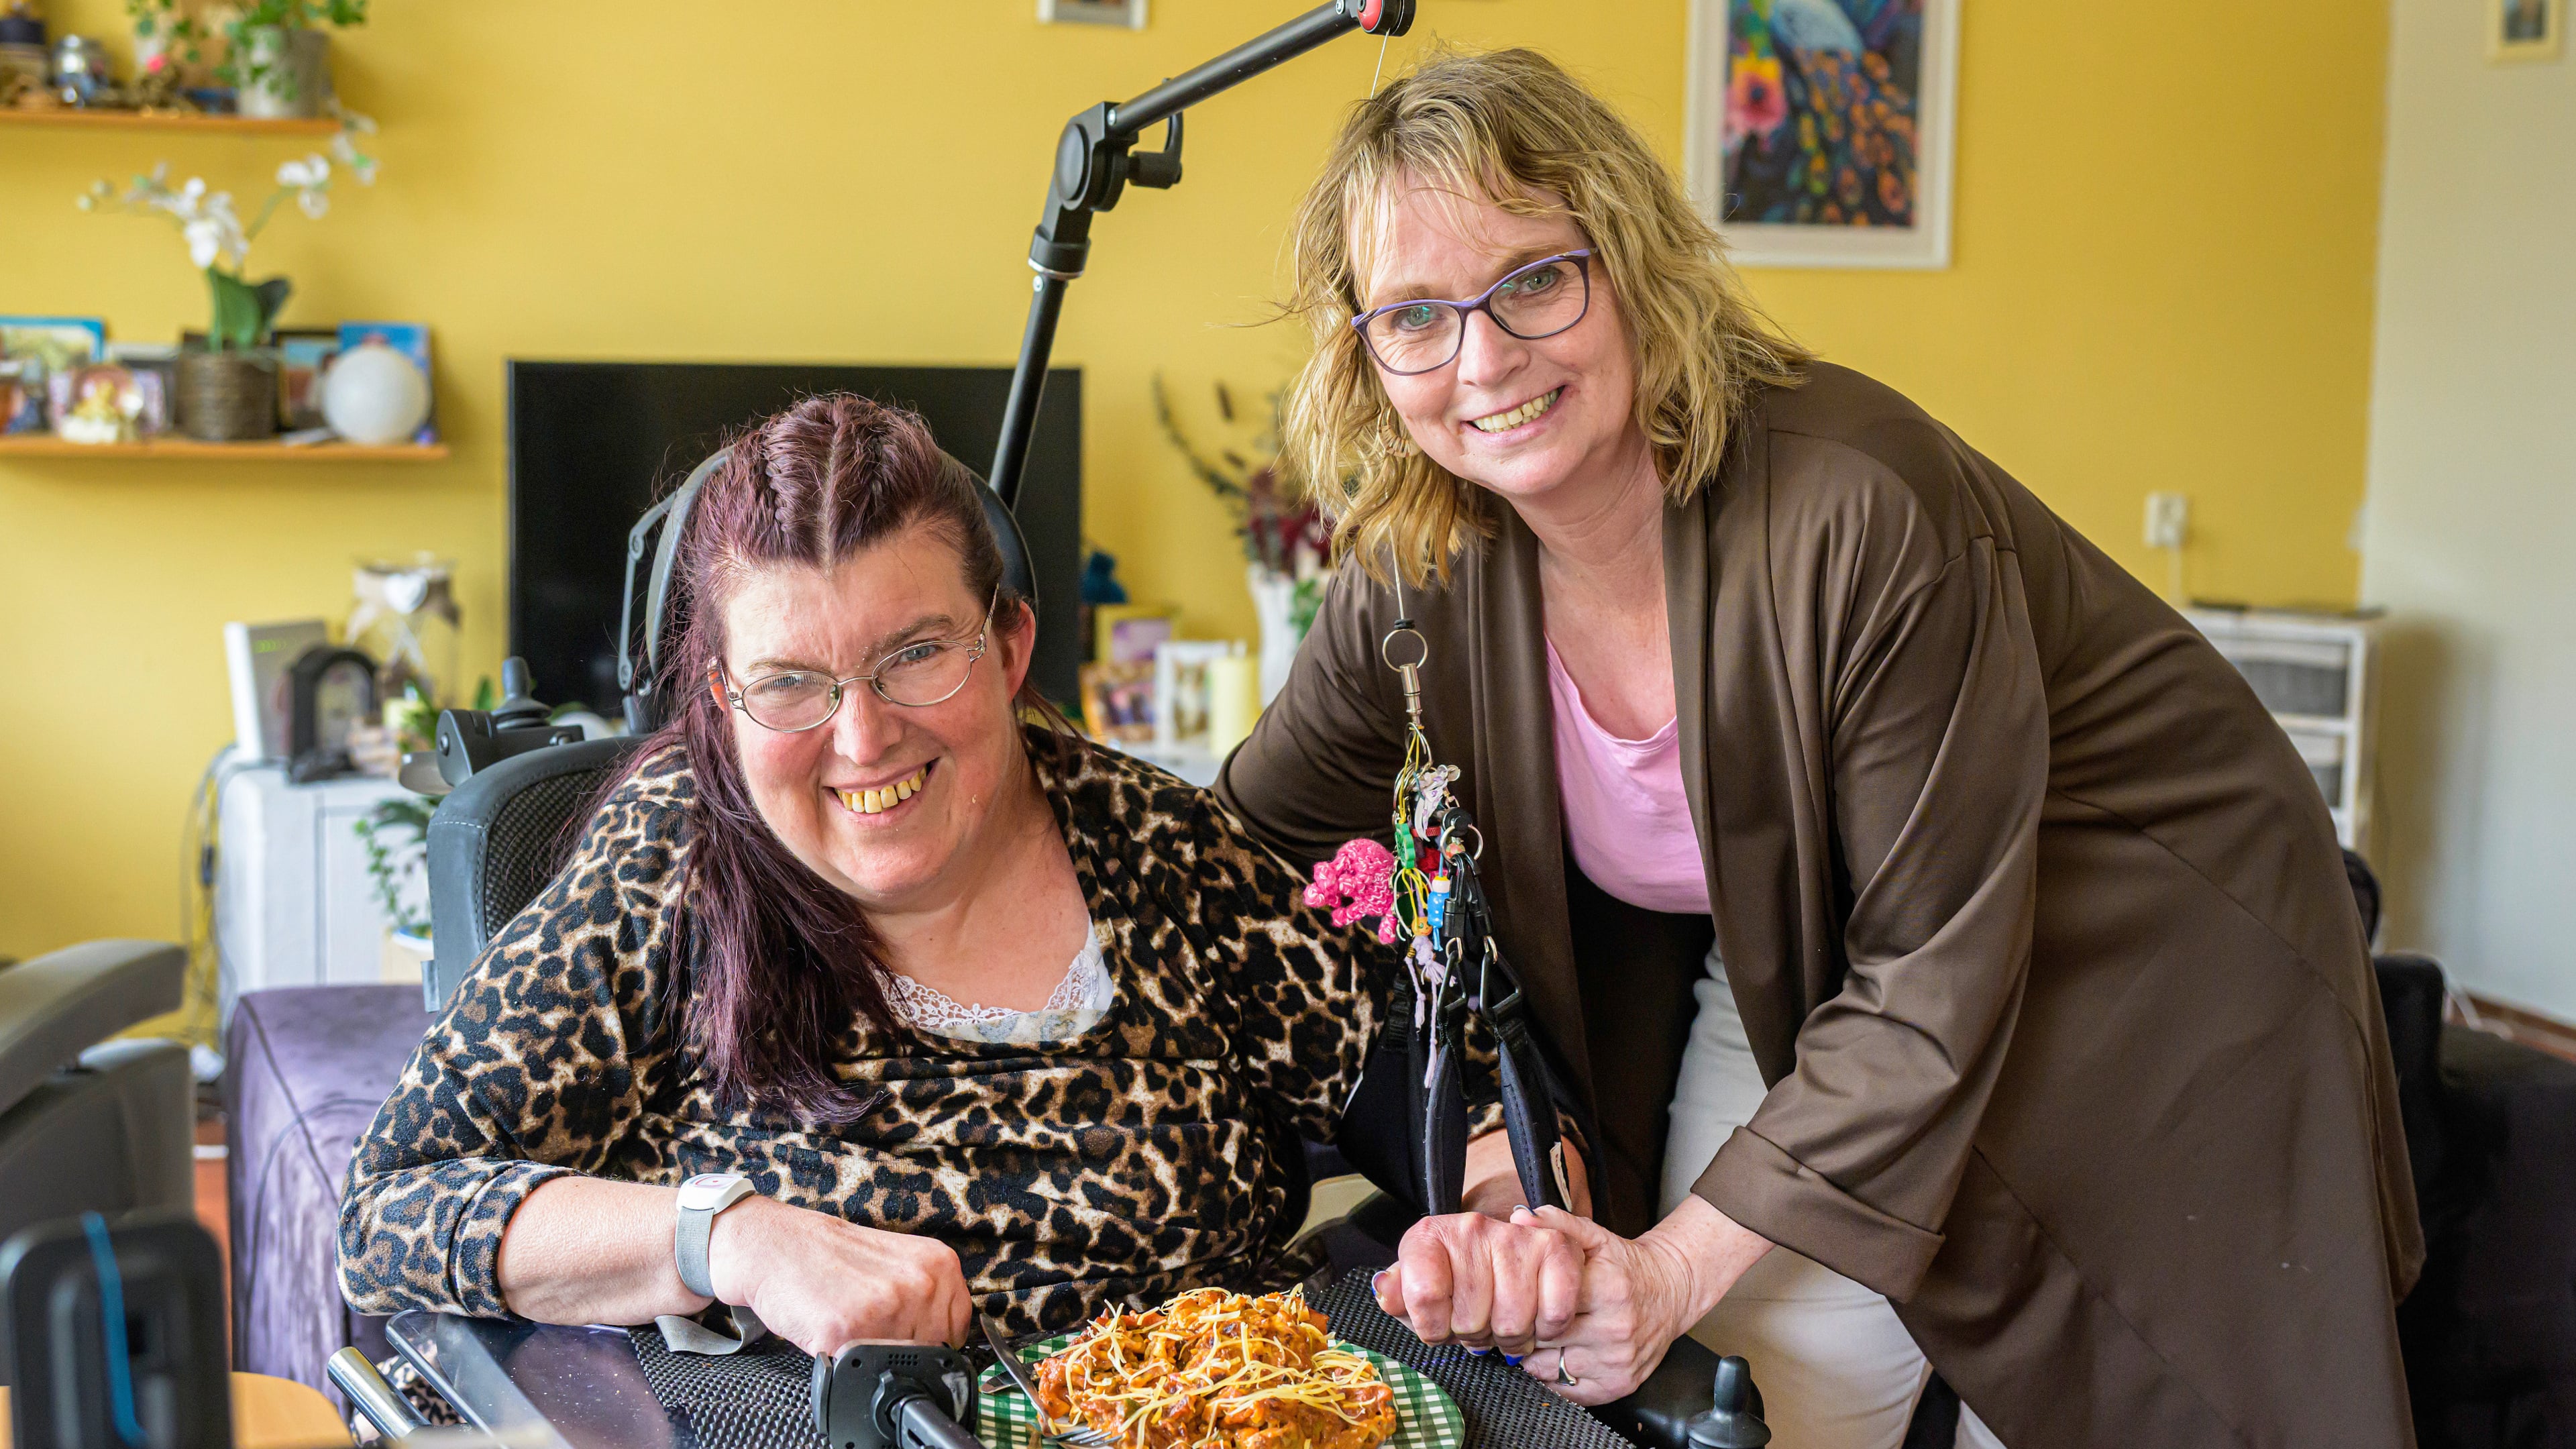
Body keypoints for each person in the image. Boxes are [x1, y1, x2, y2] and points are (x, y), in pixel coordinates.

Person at [1215, 48, 2423, 1449]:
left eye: (1535, 281)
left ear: (1632, 261)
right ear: (1363, 351)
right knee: (1742, 1388)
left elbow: (1934, 973)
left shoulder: (1856, 506)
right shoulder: (1413, 572)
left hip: (2127, 958)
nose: (1483, 359)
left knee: (2115, 1382)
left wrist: (1670, 1267)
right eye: (1415, 315)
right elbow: (1240, 847)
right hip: (1819, 952)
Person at [335, 394, 1566, 1362]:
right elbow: (387, 1214)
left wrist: (1508, 1228)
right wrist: (729, 1240)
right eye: (790, 684)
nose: (863, 738)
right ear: (722, 697)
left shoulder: (1158, 850)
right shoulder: (679, 860)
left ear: (1010, 644)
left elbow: (1458, 1118)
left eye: (915, 654)